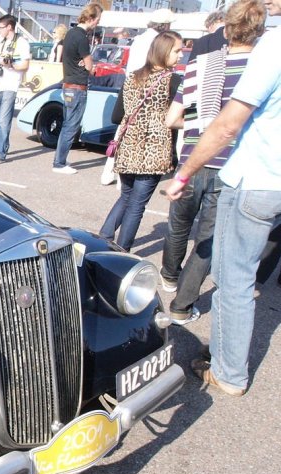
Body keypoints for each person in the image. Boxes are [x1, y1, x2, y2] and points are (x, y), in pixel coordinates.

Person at [165, 0, 281, 397]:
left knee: (233, 280)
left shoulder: (271, 47)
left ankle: (229, 372)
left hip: (252, 177)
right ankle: (221, 348)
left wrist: (183, 172)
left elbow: (227, 124)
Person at [159, 0, 265, 325]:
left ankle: (169, 274)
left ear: (227, 28)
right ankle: (182, 304)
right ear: (259, 30)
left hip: (192, 158)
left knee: (179, 224)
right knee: (208, 237)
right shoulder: (261, 67)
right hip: (231, 164)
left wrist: (197, 127)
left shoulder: (201, 66)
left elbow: (172, 118)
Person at [98, 32, 184, 252]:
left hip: (128, 147)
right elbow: (177, 119)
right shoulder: (173, 81)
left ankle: (104, 236)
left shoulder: (132, 78)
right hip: (154, 151)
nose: (181, 55)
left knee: (126, 196)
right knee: (137, 205)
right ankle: (122, 250)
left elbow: (117, 116)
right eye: (177, 51)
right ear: (164, 52)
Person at [52, 2, 104, 175]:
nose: (98, 22)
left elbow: (76, 60)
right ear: (91, 18)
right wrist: (89, 66)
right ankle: (59, 163)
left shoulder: (70, 33)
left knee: (67, 124)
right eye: (98, 19)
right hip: (78, 87)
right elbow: (89, 65)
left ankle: (59, 160)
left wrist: (83, 63)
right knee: (71, 126)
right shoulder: (82, 37)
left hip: (67, 84)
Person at [0, 14, 31, 164]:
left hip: (11, 85)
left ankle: (0, 153)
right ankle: (3, 145)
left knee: (4, 121)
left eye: (1, 27)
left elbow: (25, 65)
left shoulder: (22, 43)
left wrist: (10, 64)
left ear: (9, 27)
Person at [127, 9, 176, 74]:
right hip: (146, 77)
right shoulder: (158, 40)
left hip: (133, 77)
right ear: (165, 25)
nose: (169, 28)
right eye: (169, 25)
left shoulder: (140, 38)